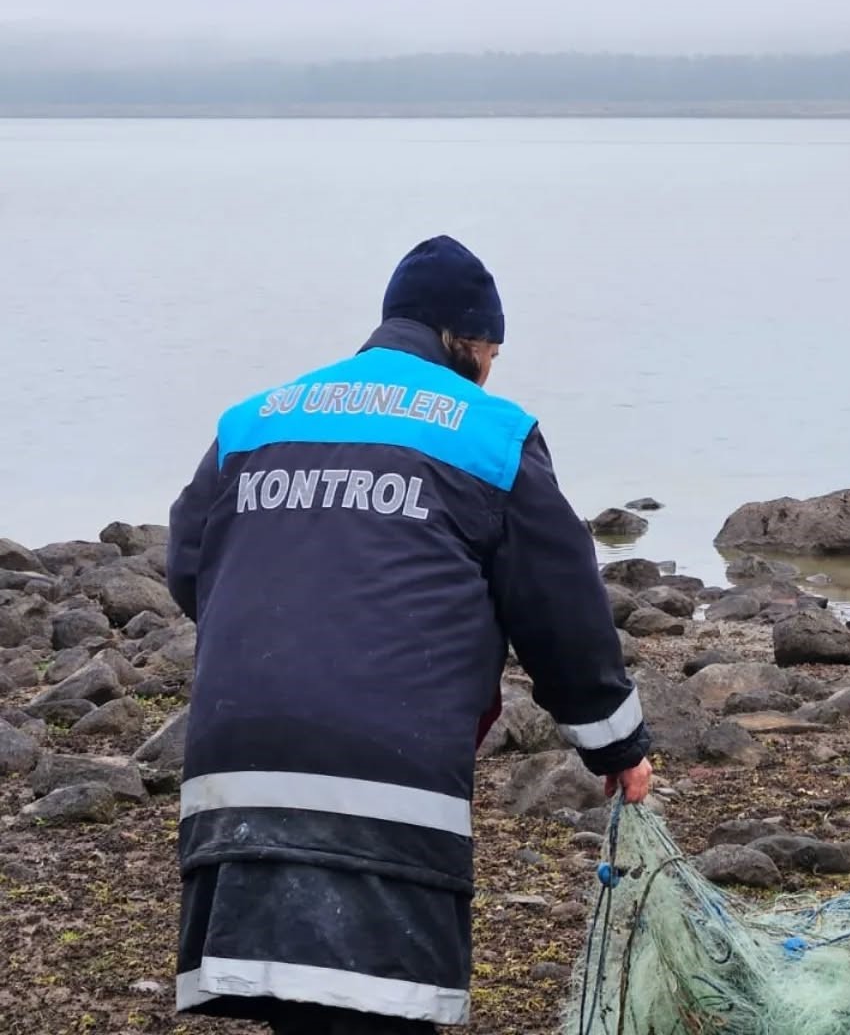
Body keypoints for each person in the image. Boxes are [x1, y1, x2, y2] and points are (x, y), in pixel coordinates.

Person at [166, 235, 653, 1034]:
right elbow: (559, 612)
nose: (492, 366)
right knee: (379, 1003)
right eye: (492, 349)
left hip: (237, 762)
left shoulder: (254, 419)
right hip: (384, 768)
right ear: (468, 342)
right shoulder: (492, 435)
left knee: (297, 989)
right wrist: (618, 745)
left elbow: (189, 566)